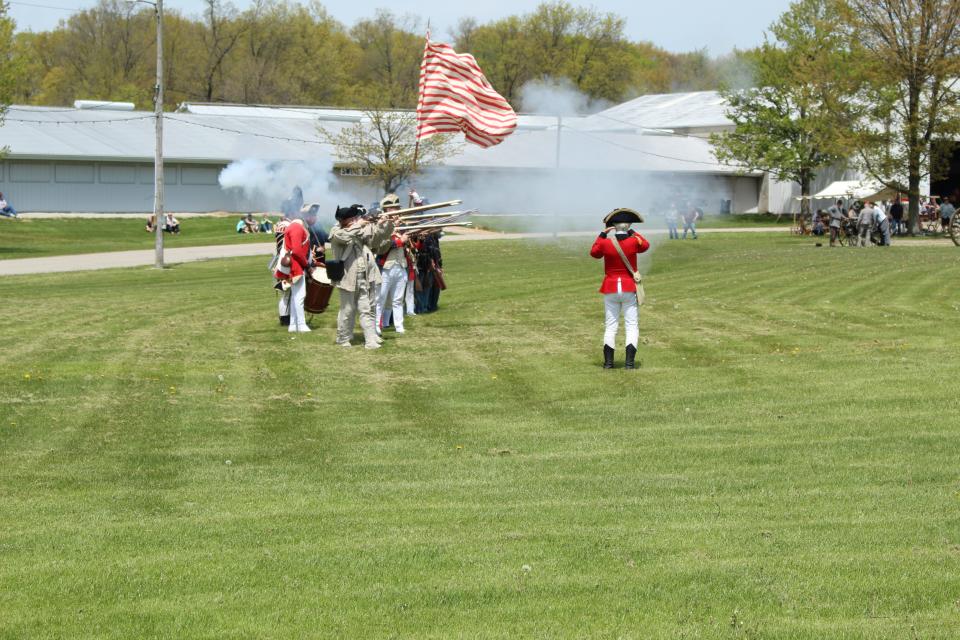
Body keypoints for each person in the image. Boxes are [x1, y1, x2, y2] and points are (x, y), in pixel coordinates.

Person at [590, 208, 650, 370]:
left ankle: (608, 363)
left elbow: (594, 253)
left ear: (613, 226)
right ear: (628, 225)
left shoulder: (605, 242)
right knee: (631, 325)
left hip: (610, 286)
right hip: (628, 287)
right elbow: (645, 245)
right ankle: (629, 364)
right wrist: (633, 231)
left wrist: (602, 234)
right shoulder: (633, 241)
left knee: (611, 325)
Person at [329, 204, 394, 349]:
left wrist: (387, 224)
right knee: (347, 310)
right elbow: (346, 236)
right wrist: (358, 224)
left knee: (366, 309)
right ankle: (343, 338)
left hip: (363, 276)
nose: (354, 220)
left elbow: (376, 239)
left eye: (355, 218)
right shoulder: (336, 232)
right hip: (347, 278)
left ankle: (370, 341)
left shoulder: (356, 230)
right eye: (351, 219)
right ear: (343, 220)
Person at [274, 213, 312, 333]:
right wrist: (307, 265)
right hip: (296, 267)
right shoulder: (297, 227)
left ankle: (293, 325)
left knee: (295, 296)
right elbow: (296, 251)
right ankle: (301, 324)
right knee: (300, 296)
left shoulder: (293, 226)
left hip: (294, 266)